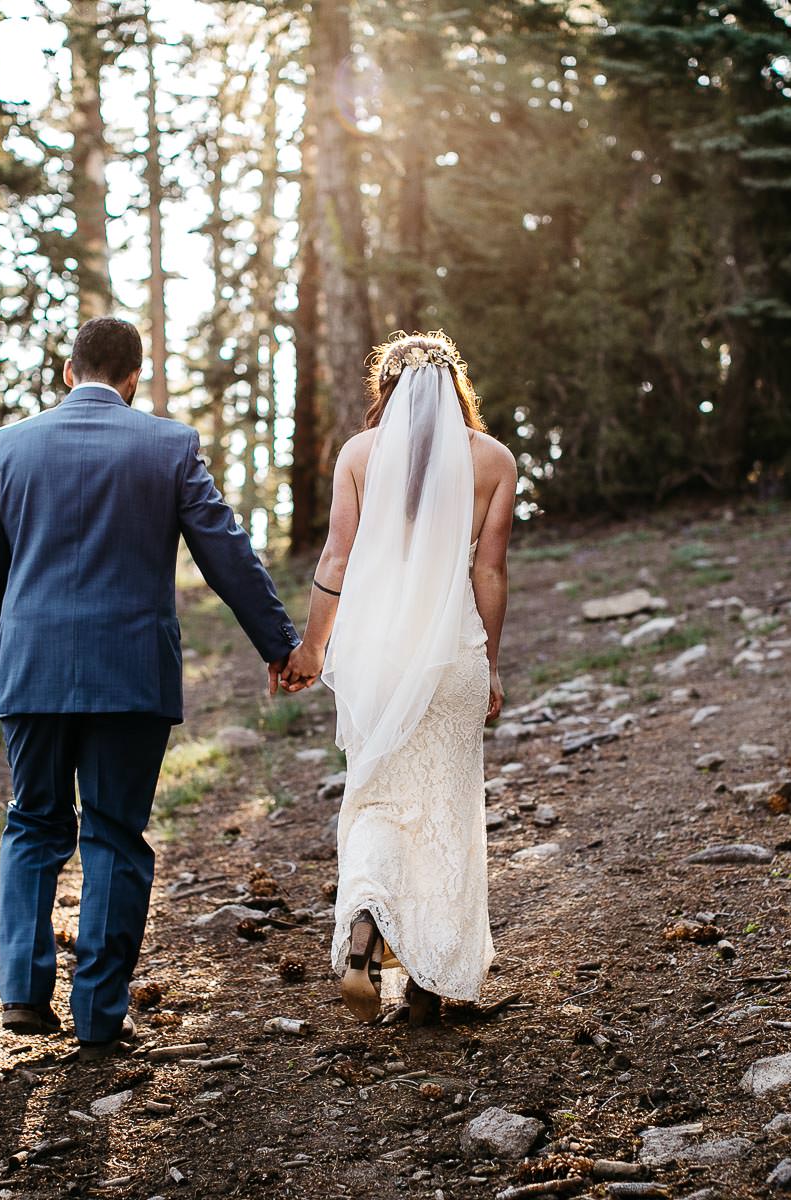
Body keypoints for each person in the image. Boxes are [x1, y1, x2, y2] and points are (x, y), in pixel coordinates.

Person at [0, 316, 299, 1057]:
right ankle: (99, 1014)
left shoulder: (6, 447)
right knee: (113, 831)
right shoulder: (168, 445)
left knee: (33, 822)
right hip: (130, 674)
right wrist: (279, 644)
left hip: (33, 672)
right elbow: (227, 555)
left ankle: (21, 989)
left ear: (65, 369)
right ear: (134, 377)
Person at [280, 331, 517, 1024]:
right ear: (455, 387)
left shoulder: (359, 455)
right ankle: (426, 982)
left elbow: (337, 555)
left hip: (378, 660)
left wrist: (313, 648)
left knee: (379, 798)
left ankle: (365, 927)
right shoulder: (494, 461)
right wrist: (490, 664)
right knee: (444, 809)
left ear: (387, 389)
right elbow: (490, 571)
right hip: (452, 659)